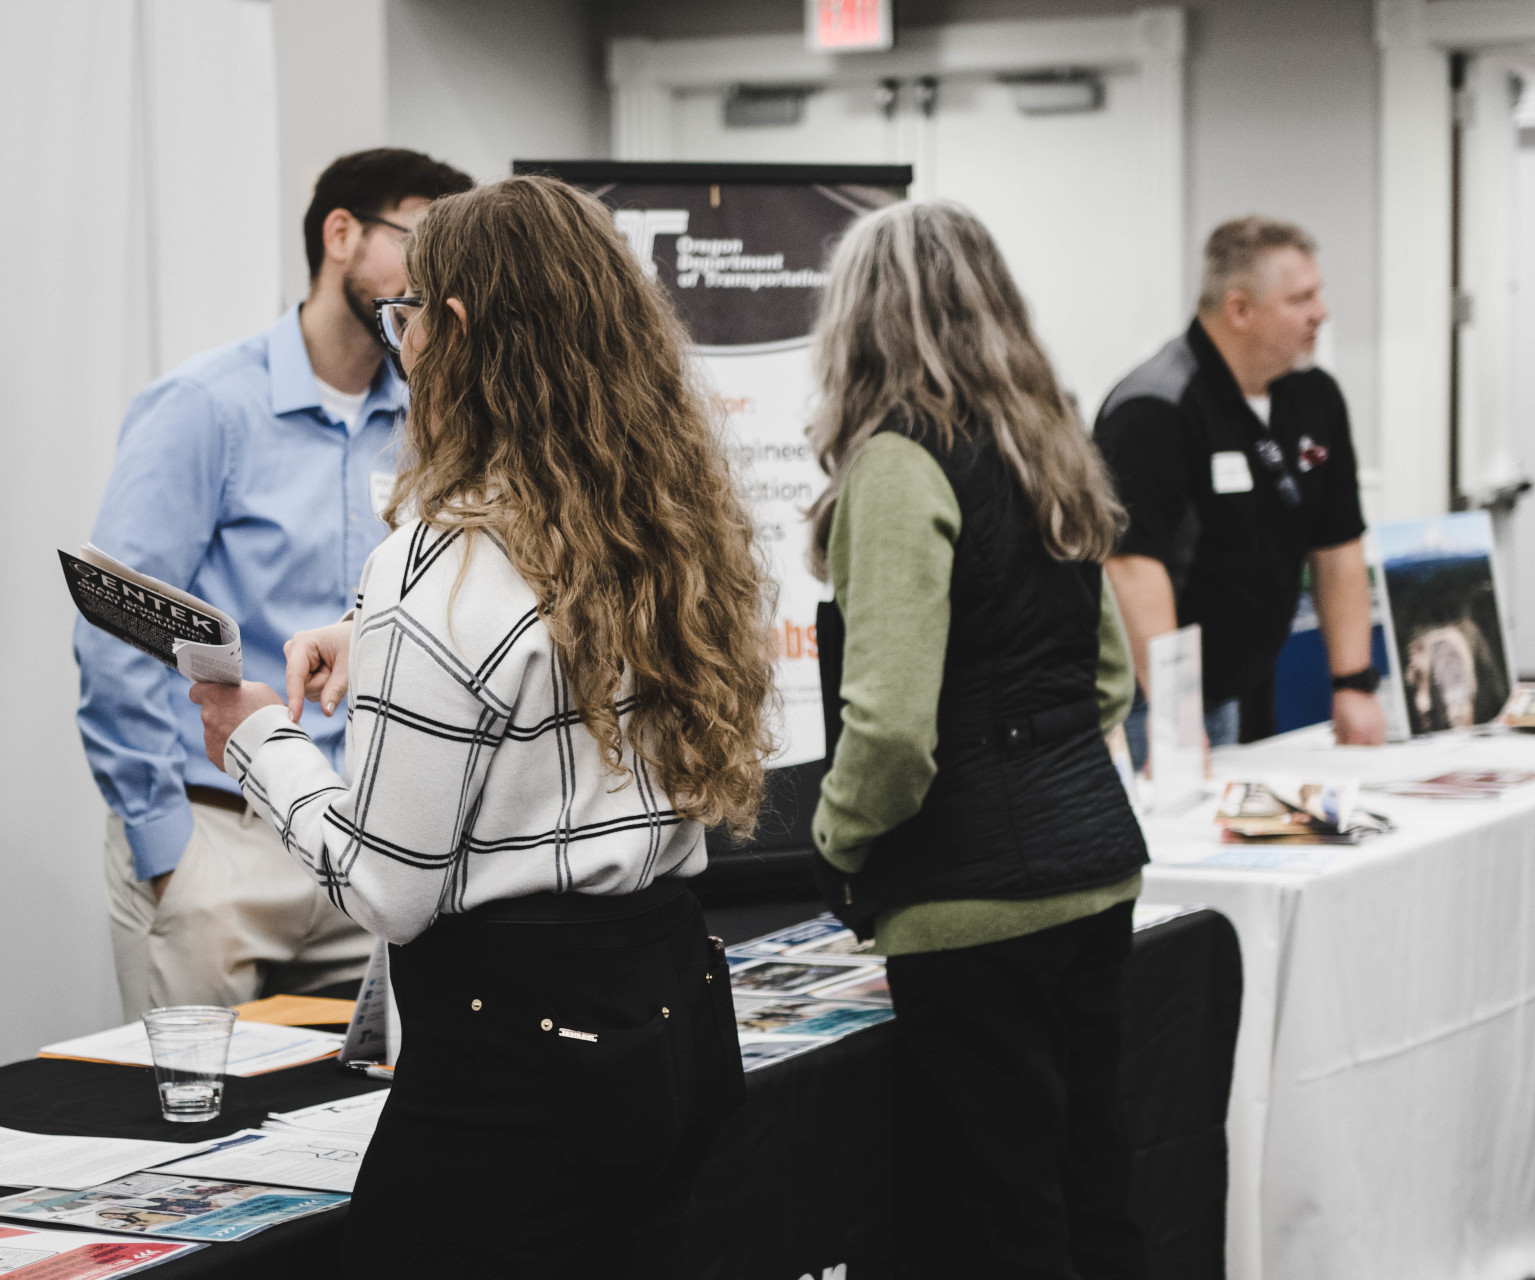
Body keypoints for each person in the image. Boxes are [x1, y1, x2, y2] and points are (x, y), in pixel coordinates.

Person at [190, 175, 766, 1275]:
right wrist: (375, 637)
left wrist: (259, 742)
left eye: (406, 319)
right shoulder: (662, 521)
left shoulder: (441, 565)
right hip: (665, 1019)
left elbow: (387, 887)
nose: (400, 347)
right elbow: (555, 663)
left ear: (453, 328)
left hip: (514, 1068)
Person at [805, 201, 1151, 1280]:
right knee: (1095, 1191)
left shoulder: (899, 465)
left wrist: (836, 839)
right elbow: (1110, 677)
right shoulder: (1048, 447)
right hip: (1094, 867)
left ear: (858, 322)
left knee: (999, 1224)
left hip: (970, 899)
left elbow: (892, 731)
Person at [76, 148, 473, 1019]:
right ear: (341, 234)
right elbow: (117, 629)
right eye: (419, 242)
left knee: (370, 1094)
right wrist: (167, 852)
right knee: (202, 1104)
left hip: (365, 842)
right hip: (221, 838)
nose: (436, 276)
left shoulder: (435, 417)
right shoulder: (206, 405)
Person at [1095, 217, 1385, 758]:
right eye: (1301, 299)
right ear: (1239, 310)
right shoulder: (1153, 407)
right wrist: (1176, 716)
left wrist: (1353, 683)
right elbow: (1131, 565)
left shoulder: (1314, 395)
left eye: (1318, 293)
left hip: (1243, 682)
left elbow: (1337, 543)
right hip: (1149, 699)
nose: (1321, 312)